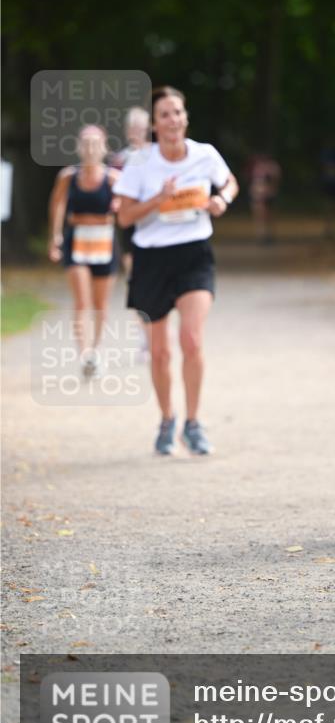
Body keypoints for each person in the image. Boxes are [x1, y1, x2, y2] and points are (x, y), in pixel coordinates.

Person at [114, 86, 239, 456]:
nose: (173, 120)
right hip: (151, 259)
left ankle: (193, 424)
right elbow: (124, 216)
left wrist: (221, 199)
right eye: (165, 114)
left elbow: (230, 182)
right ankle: (167, 419)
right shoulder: (141, 162)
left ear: (186, 117)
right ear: (154, 124)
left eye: (178, 112)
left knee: (191, 340)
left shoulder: (204, 154)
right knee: (159, 352)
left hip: (193, 254)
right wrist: (159, 199)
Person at [47, 125, 121, 377]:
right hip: (76, 242)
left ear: (104, 148)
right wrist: (55, 237)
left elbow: (127, 207)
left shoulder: (113, 179)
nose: (90, 149)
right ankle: (84, 354)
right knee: (82, 301)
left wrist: (119, 203)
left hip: (104, 243)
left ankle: (96, 351)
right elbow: (57, 205)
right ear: (79, 147)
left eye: (95, 143)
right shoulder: (68, 176)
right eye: (86, 143)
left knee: (100, 304)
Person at [108, 106, 151, 275]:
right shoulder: (120, 159)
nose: (135, 132)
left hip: (153, 211)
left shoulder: (156, 154)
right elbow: (114, 187)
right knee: (129, 252)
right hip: (130, 212)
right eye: (132, 128)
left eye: (140, 128)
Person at [247, 154, 282, 244]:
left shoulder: (271, 167)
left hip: (267, 194)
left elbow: (274, 181)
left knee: (268, 216)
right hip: (259, 194)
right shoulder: (260, 167)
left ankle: (268, 235)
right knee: (261, 216)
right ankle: (262, 235)